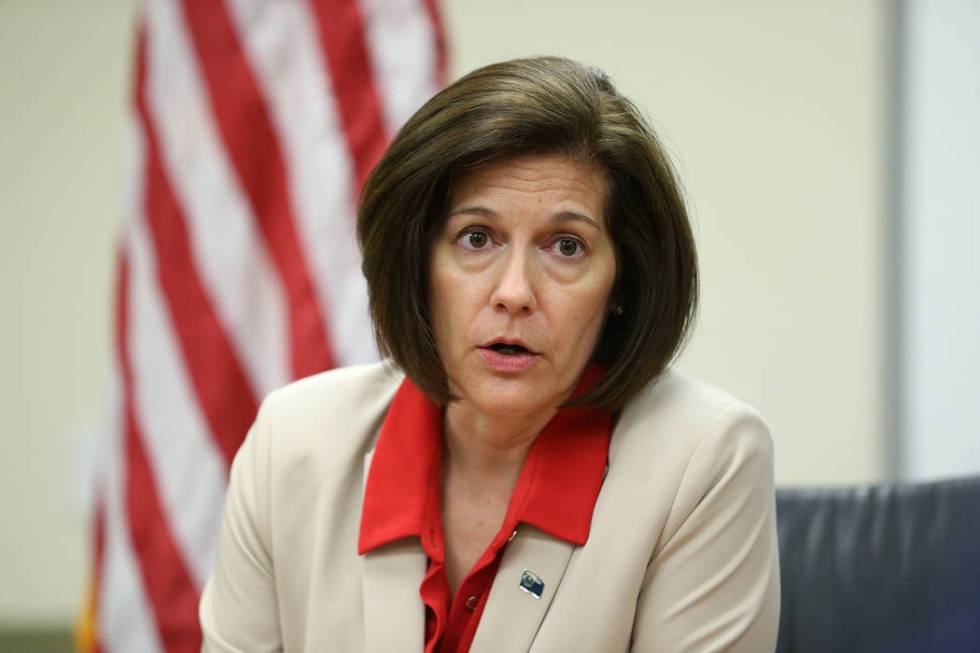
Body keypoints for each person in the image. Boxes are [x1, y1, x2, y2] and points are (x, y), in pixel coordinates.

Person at [200, 56, 780, 652]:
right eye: (476, 238)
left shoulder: (704, 462)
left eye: (566, 246)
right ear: (419, 264)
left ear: (622, 284)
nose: (514, 294)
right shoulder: (291, 446)